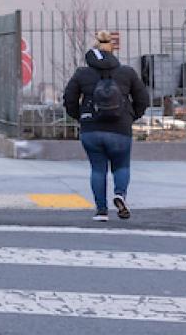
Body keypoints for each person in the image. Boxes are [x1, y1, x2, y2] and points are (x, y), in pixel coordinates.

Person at [63, 30, 149, 222]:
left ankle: (101, 211)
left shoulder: (82, 74)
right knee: (121, 165)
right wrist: (131, 116)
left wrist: (81, 116)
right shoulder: (127, 73)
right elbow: (143, 99)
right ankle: (120, 195)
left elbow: (69, 99)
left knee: (97, 169)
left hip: (91, 129)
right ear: (112, 49)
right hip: (120, 129)